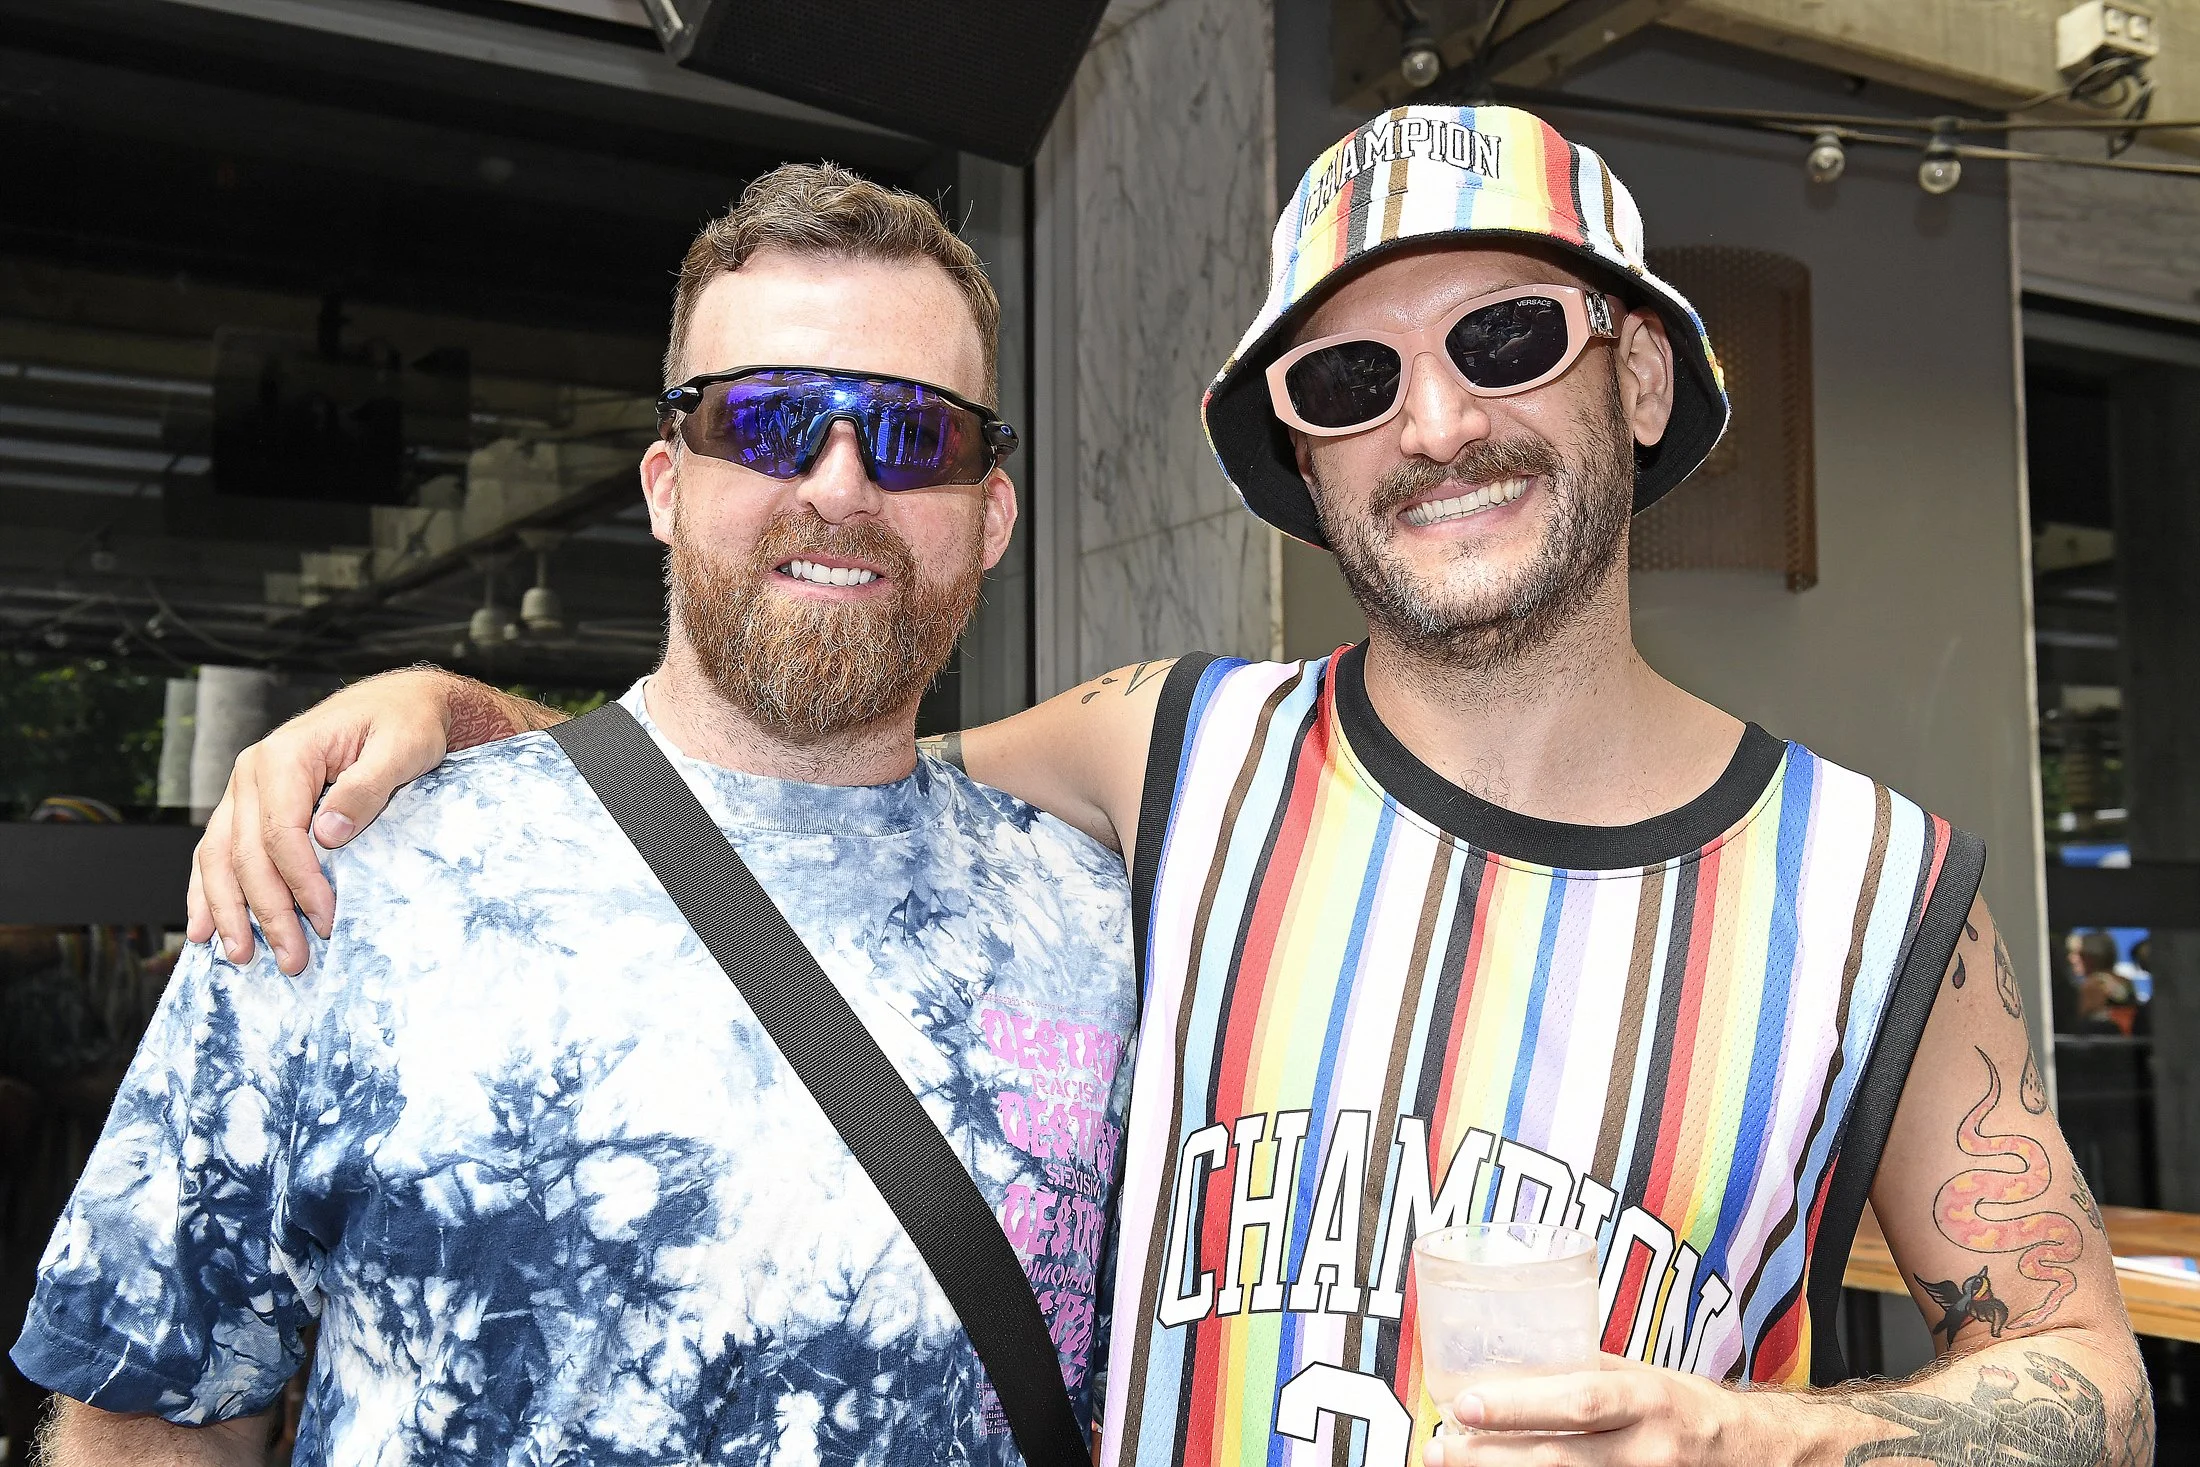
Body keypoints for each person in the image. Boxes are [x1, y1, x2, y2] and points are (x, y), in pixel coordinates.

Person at [183, 106, 2151, 1465]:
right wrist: (461, 715)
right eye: (1350, 381)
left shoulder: (1877, 891)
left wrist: (1770, 1437)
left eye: (1500, 336)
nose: (1436, 421)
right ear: (1301, 455)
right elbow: (768, 803)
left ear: (1632, 376)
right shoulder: (1167, 750)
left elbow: (2082, 1369)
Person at [11, 165, 1136, 1465]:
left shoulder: (1102, 925)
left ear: (989, 518)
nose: (836, 482)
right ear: (664, 482)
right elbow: (148, 1416)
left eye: (914, 435)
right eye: (767, 420)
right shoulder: (355, 872)